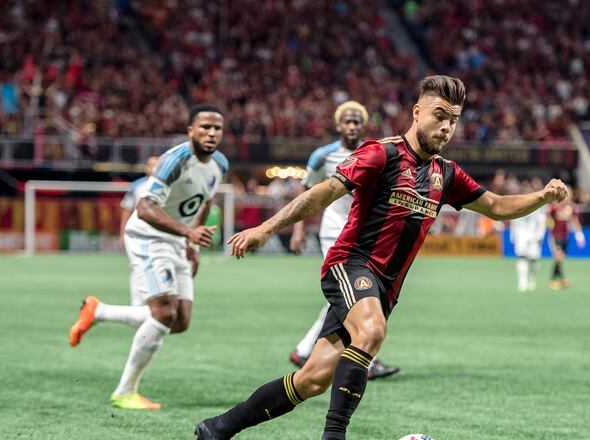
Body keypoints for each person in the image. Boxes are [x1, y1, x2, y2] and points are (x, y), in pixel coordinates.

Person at [195, 76, 568, 440]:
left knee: (311, 380)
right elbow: (321, 194)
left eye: (453, 120)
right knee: (372, 330)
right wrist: (265, 228)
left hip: (385, 289)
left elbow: (497, 206)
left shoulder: (446, 174)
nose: (447, 127)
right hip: (351, 265)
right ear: (417, 111)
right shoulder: (381, 153)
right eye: (440, 115)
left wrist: (542, 196)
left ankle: (219, 428)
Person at [68, 104, 228, 409]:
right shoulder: (175, 160)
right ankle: (125, 391)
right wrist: (188, 233)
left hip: (179, 240)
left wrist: (192, 244)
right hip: (148, 237)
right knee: (164, 314)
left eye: (217, 128)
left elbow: (206, 201)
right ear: (190, 130)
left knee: (179, 321)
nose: (211, 133)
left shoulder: (220, 163)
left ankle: (97, 311)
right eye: (205, 127)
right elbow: (143, 207)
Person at [288, 100, 400, 380]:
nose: (352, 126)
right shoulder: (322, 156)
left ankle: (304, 350)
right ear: (338, 125)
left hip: (364, 234)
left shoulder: (373, 151)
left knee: (345, 296)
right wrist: (299, 230)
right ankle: (365, 361)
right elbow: (306, 194)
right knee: (356, 294)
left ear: (363, 125)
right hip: (335, 231)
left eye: (356, 122)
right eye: (347, 122)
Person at [509, 178, 548, 291]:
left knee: (534, 259)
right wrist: (513, 236)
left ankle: (532, 279)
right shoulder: (517, 204)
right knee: (521, 258)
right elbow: (513, 220)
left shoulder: (538, 205)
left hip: (534, 236)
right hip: (521, 236)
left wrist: (540, 235)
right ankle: (522, 282)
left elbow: (542, 221)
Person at [547, 188, 585, 290]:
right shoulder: (554, 208)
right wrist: (548, 229)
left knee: (560, 259)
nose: (568, 197)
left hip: (565, 237)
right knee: (558, 257)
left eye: (569, 194)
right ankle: (553, 280)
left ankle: (561, 279)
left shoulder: (572, 208)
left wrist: (579, 236)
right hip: (555, 236)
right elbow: (548, 220)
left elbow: (575, 222)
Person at [119, 155, 160, 245]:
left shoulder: (170, 186)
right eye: (150, 165)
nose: (153, 168)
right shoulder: (136, 186)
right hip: (139, 232)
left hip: (161, 234)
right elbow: (127, 210)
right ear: (146, 168)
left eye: (156, 165)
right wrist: (123, 234)